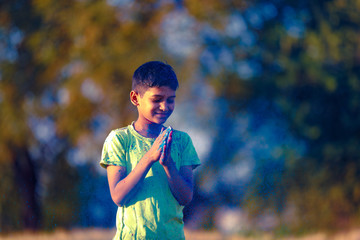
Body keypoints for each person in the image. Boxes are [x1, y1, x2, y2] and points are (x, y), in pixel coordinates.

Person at [100, 61, 201, 239]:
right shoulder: (119, 140)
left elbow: (185, 197)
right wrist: (148, 158)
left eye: (170, 100)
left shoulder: (182, 142)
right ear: (135, 98)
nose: (164, 106)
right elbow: (118, 196)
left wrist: (168, 164)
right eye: (156, 99)